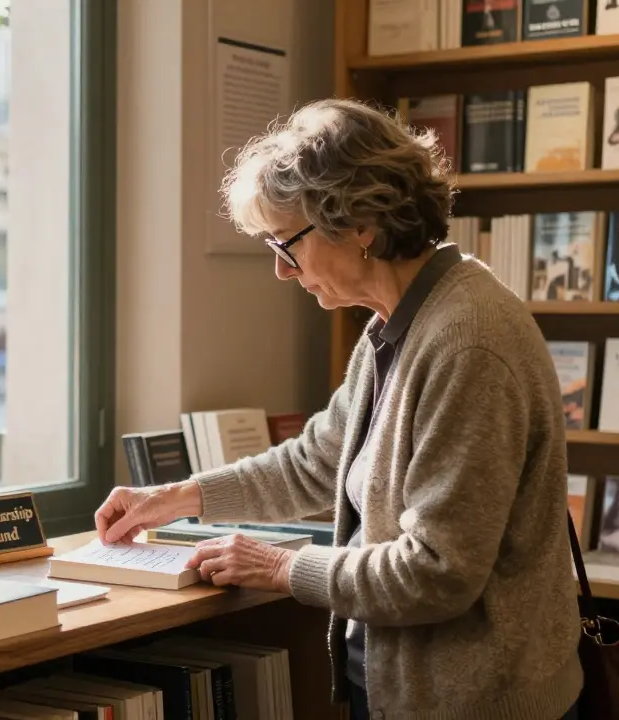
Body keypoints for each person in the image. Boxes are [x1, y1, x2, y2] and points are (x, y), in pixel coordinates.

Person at [94, 98, 583, 720]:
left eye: (286, 243)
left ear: (359, 223)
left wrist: (282, 565)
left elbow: (437, 573)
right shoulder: (398, 323)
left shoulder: (467, 343)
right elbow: (317, 462)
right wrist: (174, 497)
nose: (279, 269)